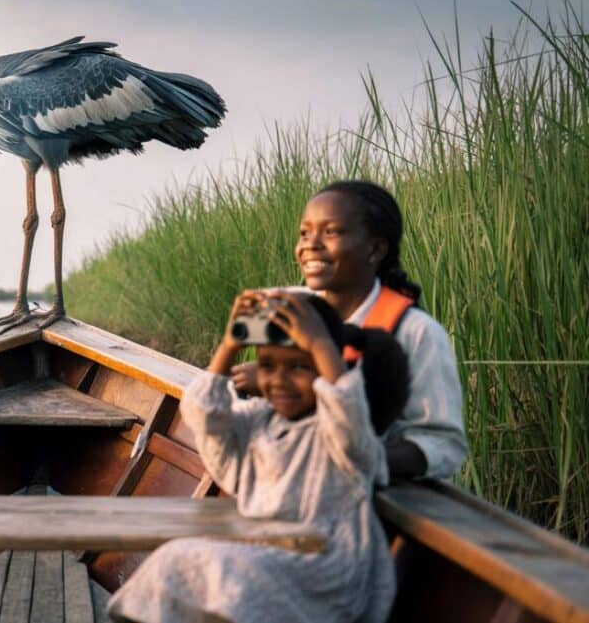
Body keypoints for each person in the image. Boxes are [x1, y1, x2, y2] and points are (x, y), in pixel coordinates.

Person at [108, 290, 409, 623]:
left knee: (231, 576)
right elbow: (204, 414)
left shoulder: (341, 433)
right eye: (267, 366)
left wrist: (321, 343)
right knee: (172, 559)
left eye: (298, 367)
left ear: (326, 368)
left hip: (324, 572)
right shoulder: (258, 421)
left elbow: (346, 411)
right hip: (262, 557)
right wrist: (231, 343)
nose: (279, 380)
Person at [232, 180, 467, 479]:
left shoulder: (417, 333)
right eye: (305, 233)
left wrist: (356, 460)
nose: (310, 245)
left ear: (375, 249)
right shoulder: (280, 307)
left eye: (331, 232)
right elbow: (234, 379)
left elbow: (443, 445)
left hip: (365, 503)